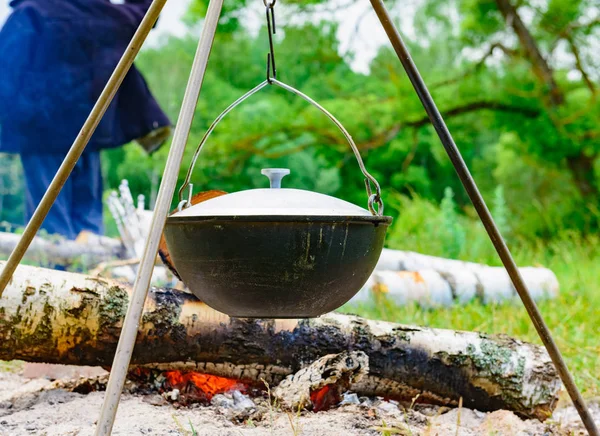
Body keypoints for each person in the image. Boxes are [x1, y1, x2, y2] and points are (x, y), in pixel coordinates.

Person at [0, 0, 171, 240]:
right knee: (88, 222)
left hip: (42, 134)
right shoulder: (99, 11)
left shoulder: (32, 12)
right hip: (88, 132)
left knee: (50, 224)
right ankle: (88, 272)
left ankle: (57, 274)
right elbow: (145, 14)